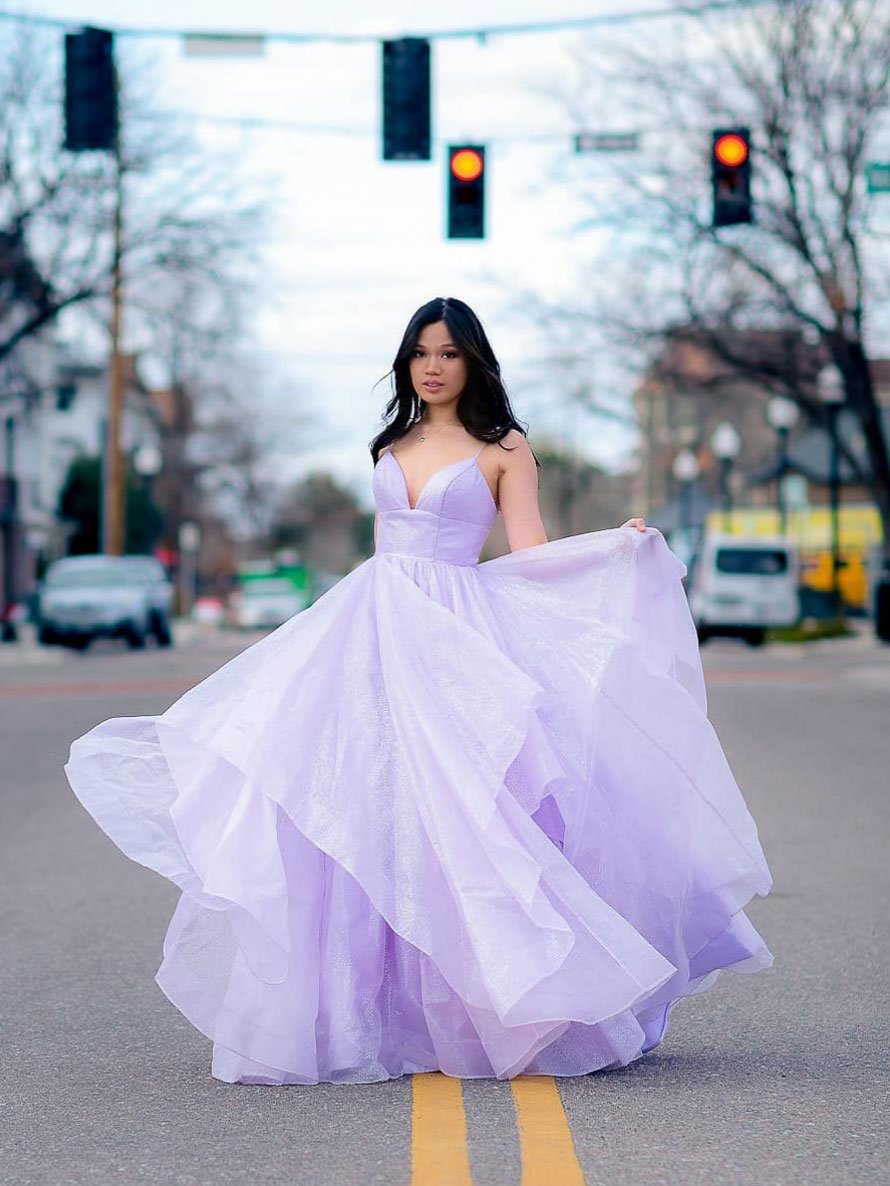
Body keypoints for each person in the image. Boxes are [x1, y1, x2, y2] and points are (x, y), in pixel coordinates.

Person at [64, 296, 773, 1086]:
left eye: (448, 353)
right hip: (369, 630)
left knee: (467, 816)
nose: (432, 366)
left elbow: (529, 552)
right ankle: (367, 1014)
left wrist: (616, 550)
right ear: (407, 362)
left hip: (455, 635)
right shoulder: (392, 441)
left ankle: (497, 1004)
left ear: (473, 361)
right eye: (420, 353)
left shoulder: (505, 449)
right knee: (359, 805)